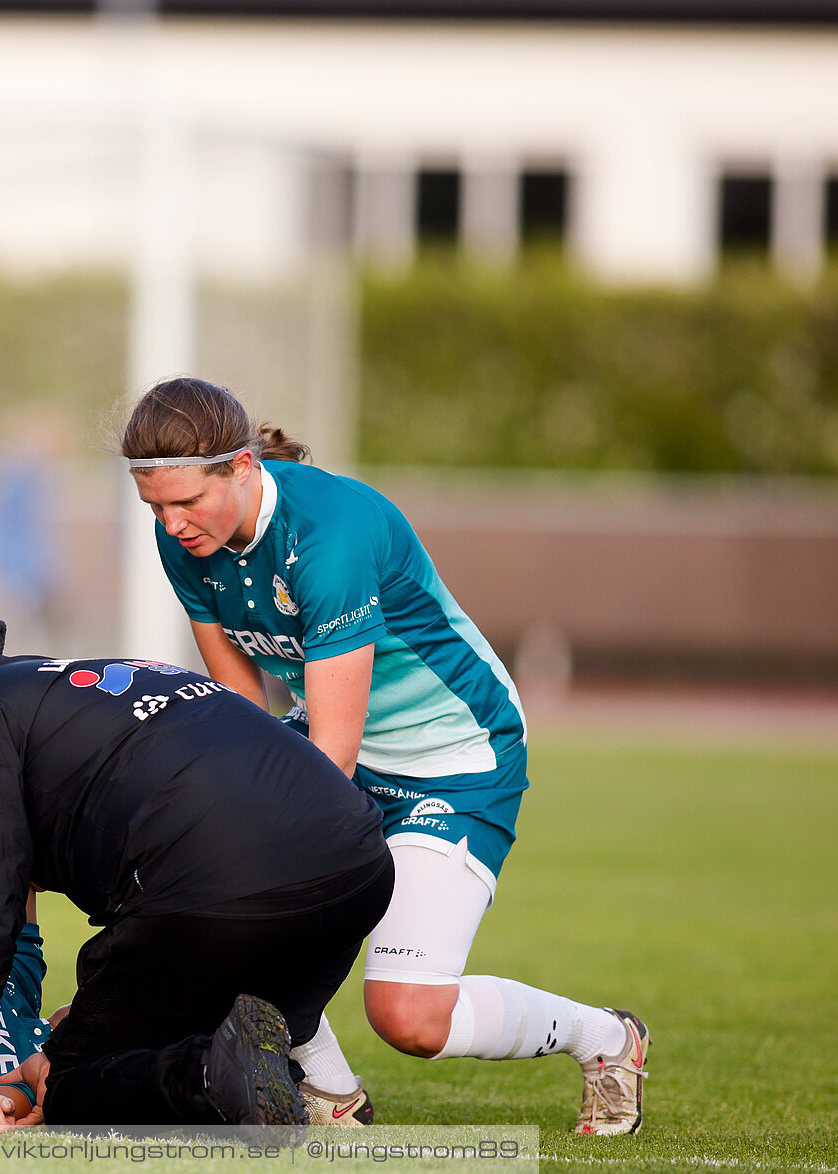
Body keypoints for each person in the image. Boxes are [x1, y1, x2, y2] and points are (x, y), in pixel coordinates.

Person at [122, 376, 651, 1136]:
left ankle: (608, 1040)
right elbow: (242, 714)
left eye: (186, 503)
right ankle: (334, 1096)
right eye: (155, 508)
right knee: (225, 889)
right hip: (336, 739)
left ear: (241, 467)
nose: (171, 526)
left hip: (454, 757)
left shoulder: (330, 534)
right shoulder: (186, 539)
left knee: (410, 1017)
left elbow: (329, 758)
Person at [0, 611, 396, 1129]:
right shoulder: (64, 684)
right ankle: (299, 1084)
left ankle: (213, 1077)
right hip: (360, 870)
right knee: (147, 1020)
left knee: (73, 1082)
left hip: (224, 889)